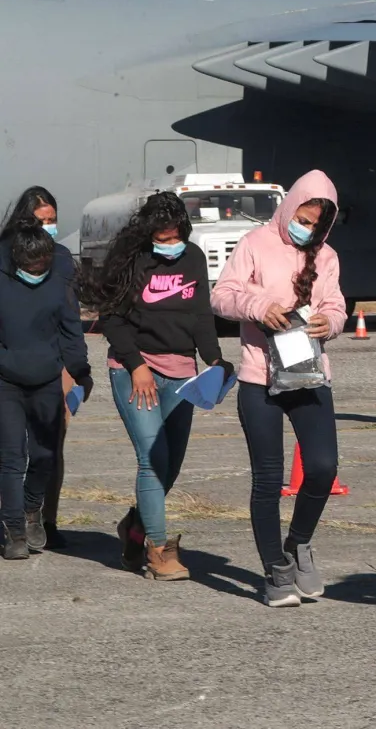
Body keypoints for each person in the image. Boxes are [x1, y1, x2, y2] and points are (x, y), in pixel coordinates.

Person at [211, 171, 346, 606]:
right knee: (267, 480)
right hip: (258, 378)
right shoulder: (254, 243)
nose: (305, 229)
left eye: (315, 224)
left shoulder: (326, 256)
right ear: (290, 208)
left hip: (308, 375)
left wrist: (333, 322)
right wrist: (258, 306)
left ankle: (299, 542)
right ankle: (276, 569)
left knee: (323, 467)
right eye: (302, 218)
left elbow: (335, 304)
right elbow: (222, 295)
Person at [83, 192, 231, 579]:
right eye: (161, 238)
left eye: (174, 237)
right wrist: (136, 366)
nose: (169, 245)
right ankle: (159, 551)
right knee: (152, 459)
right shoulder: (129, 258)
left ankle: (133, 527)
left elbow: (201, 316)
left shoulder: (194, 257)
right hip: (136, 370)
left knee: (172, 464)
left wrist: (214, 361)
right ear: (147, 232)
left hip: (182, 372)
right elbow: (111, 319)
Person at [0, 219, 92, 560]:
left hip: (46, 381)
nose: (36, 271)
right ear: (17, 260)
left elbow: (71, 332)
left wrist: (82, 371)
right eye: (30, 266)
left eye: (42, 266)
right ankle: (13, 532)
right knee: (11, 458)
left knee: (45, 456)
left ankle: (30, 508)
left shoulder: (59, 285)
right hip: (6, 382)